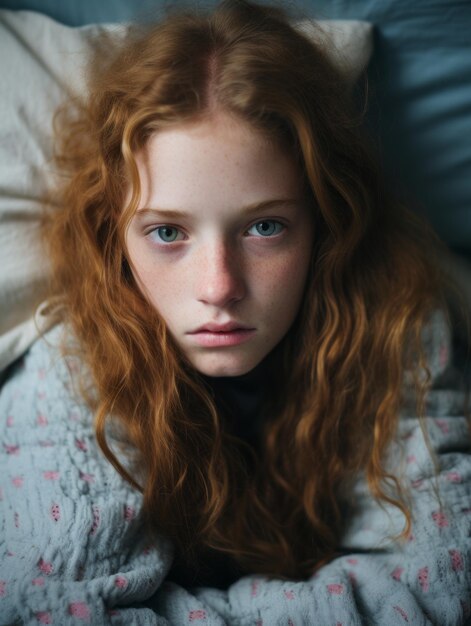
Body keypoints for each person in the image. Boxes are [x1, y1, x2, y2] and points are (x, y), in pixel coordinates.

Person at [1, 0, 470, 623]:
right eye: (168, 233)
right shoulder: (74, 363)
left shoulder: (393, 320)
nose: (219, 287)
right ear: (116, 236)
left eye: (265, 226)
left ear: (325, 224)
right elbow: (55, 612)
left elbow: (445, 586)